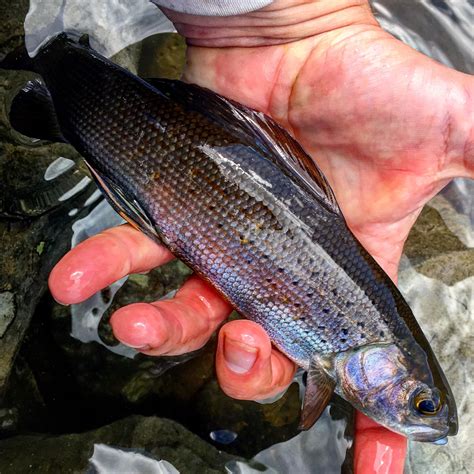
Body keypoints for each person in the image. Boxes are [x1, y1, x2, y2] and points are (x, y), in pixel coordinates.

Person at [48, 1, 473, 472]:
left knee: (66, 93)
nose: (420, 417)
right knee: (71, 93)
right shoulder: (333, 357)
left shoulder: (331, 365)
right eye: (421, 405)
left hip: (175, 142)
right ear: (382, 357)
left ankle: (51, 69)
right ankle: (52, 69)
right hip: (174, 151)